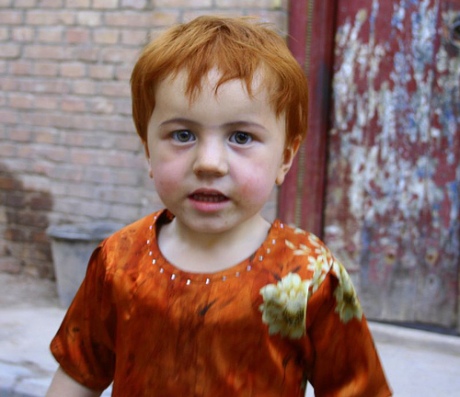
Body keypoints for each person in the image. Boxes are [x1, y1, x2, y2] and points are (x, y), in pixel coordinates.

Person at [46, 15, 392, 397]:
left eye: (241, 136)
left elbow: (357, 389)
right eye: (183, 134)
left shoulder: (308, 274)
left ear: (285, 158)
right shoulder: (119, 261)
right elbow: (79, 373)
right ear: (148, 151)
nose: (208, 162)